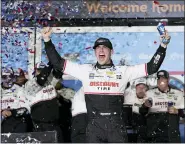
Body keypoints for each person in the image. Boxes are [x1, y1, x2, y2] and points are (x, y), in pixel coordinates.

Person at [41, 27, 171, 142]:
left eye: (104, 47)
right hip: (94, 127)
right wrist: (47, 41)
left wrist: (163, 45)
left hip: (116, 127)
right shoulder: (85, 70)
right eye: (98, 47)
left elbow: (152, 67)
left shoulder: (123, 71)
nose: (101, 50)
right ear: (95, 52)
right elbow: (58, 63)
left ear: (111, 52)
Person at [24, 62, 64, 142]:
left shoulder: (50, 82)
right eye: (39, 70)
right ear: (35, 71)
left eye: (43, 70)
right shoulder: (30, 84)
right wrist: (49, 65)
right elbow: (41, 78)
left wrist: (55, 62)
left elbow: (58, 74)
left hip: (55, 125)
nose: (42, 72)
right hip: (41, 127)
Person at [143, 70, 184, 143]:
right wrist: (145, 106)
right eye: (158, 78)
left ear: (168, 80)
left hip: (171, 135)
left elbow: (184, 113)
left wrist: (177, 111)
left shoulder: (178, 93)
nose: (160, 80)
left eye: (163, 78)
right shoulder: (149, 93)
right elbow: (140, 112)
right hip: (153, 134)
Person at [1, 68, 31, 133]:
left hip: (17, 123)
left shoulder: (20, 89)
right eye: (4, 77)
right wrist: (1, 111)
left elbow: (26, 109)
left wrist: (12, 112)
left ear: (13, 77)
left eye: (10, 76)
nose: (7, 79)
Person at [124, 77, 149, 142]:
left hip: (144, 128)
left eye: (143, 87)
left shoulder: (150, 97)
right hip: (129, 126)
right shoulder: (128, 95)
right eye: (139, 87)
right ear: (135, 88)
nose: (141, 89)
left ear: (147, 89)